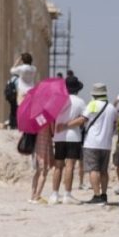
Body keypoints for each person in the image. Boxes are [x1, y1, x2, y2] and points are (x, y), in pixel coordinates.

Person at [48, 75, 87, 204]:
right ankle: (67, 194)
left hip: (59, 137)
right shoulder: (80, 102)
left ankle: (54, 194)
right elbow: (83, 119)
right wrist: (67, 125)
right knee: (70, 166)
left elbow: (51, 117)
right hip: (73, 136)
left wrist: (56, 129)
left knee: (58, 166)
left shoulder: (58, 100)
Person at [81, 83, 119, 205]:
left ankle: (96, 195)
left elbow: (83, 119)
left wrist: (67, 125)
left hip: (92, 143)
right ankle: (104, 195)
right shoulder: (111, 107)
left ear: (94, 94)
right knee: (103, 171)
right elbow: (115, 124)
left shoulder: (92, 104)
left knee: (93, 170)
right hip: (106, 144)